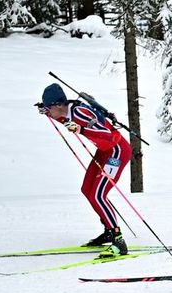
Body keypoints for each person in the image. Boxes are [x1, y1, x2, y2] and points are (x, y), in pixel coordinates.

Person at [38, 82, 130, 256]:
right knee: (87, 189)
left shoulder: (81, 113)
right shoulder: (64, 111)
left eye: (49, 108)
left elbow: (108, 135)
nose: (49, 111)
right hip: (104, 152)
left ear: (58, 104)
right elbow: (63, 119)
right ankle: (109, 231)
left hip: (116, 152)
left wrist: (82, 130)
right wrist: (46, 113)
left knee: (98, 194)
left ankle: (119, 241)